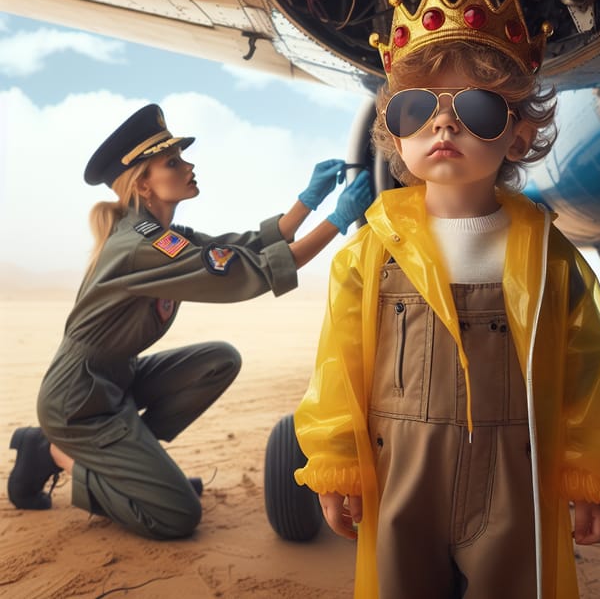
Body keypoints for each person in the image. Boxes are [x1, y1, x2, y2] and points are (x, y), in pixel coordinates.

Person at [293, 0, 600, 599]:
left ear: (519, 134)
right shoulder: (369, 251)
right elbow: (339, 364)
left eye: (477, 109)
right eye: (416, 107)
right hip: (401, 466)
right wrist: (337, 462)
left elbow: (586, 368)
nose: (443, 125)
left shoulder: (549, 256)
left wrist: (584, 473)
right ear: (395, 133)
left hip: (516, 472)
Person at [7, 102, 372, 540]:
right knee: (178, 515)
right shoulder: (139, 245)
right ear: (144, 183)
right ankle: (53, 453)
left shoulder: (161, 237)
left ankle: (138, 466)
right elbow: (244, 273)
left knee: (219, 359)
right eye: (173, 161)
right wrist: (337, 220)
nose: (189, 165)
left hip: (112, 380)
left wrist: (306, 202)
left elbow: (239, 248)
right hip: (78, 403)